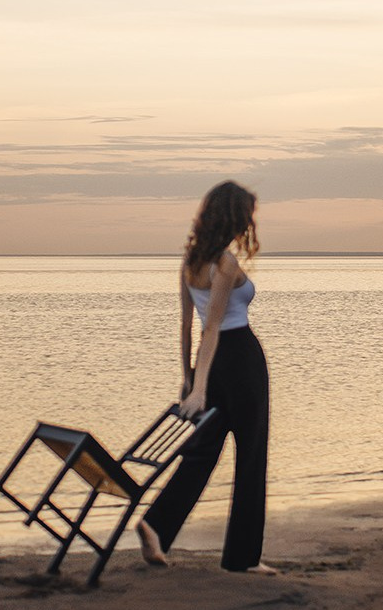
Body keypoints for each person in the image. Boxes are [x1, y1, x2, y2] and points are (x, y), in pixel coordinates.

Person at [134, 180, 277, 575]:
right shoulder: (225, 263)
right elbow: (211, 328)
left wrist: (190, 377)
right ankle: (242, 559)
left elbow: (187, 326)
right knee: (251, 455)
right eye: (246, 216)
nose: (248, 223)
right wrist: (196, 390)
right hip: (241, 360)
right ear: (234, 217)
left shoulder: (190, 261)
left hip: (210, 365)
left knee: (202, 452)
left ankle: (156, 525)